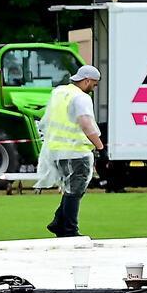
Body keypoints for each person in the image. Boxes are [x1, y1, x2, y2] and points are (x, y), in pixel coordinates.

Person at [35, 64, 104, 238]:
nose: (93, 89)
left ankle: (58, 222)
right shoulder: (81, 98)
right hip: (76, 150)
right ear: (86, 80)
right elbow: (85, 123)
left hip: (56, 150)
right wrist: (100, 145)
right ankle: (69, 229)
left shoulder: (59, 92)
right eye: (94, 85)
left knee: (70, 189)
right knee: (76, 190)